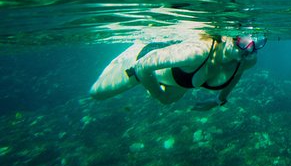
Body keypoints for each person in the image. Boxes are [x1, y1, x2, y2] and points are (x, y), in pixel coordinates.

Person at [90, 33, 266, 109]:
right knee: (97, 93)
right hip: (141, 61)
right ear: (228, 35)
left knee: (171, 99)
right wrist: (160, 96)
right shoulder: (196, 54)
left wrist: (220, 99)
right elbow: (143, 66)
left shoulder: (246, 60)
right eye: (243, 41)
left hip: (179, 81)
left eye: (255, 44)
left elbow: (236, 74)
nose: (247, 49)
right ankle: (137, 45)